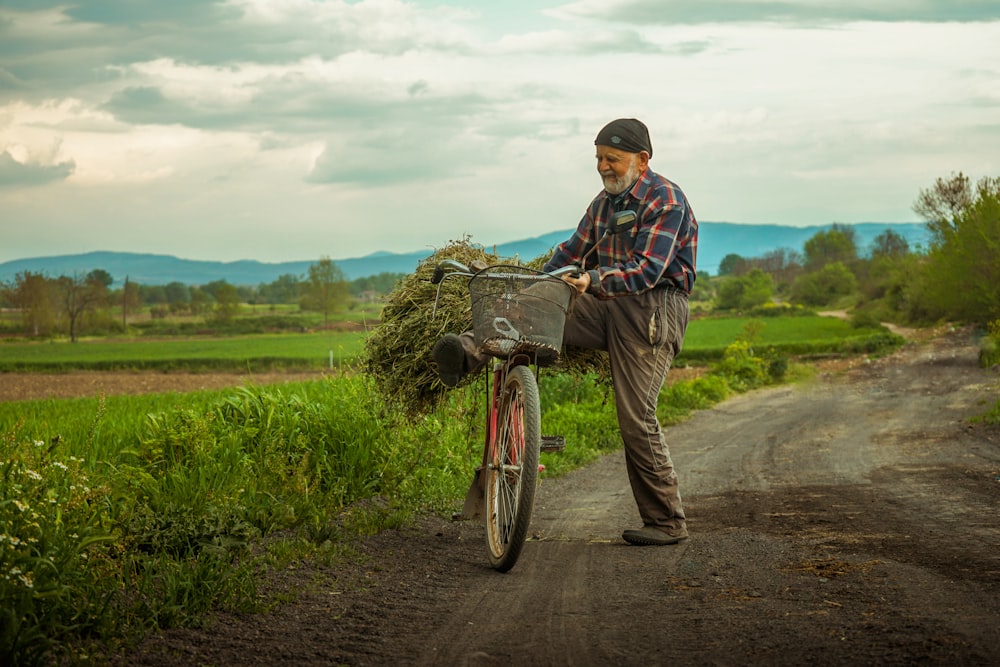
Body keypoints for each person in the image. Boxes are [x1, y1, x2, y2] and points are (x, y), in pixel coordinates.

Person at [433, 118, 698, 546]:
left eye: (612, 159)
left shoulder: (665, 199)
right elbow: (570, 252)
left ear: (642, 160)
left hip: (652, 309)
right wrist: (527, 282)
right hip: (605, 303)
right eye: (598, 159)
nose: (603, 167)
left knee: (635, 419)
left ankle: (667, 521)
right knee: (536, 304)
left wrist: (594, 280)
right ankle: (466, 351)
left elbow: (649, 270)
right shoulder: (603, 204)